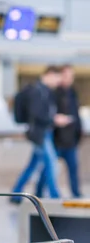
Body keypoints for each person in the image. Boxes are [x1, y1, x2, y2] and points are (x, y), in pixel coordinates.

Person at [11, 65, 72, 203]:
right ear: (50, 74)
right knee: (52, 164)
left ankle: (16, 192)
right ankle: (55, 196)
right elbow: (36, 113)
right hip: (40, 134)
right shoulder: (37, 91)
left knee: (33, 166)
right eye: (57, 78)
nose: (58, 82)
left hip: (44, 133)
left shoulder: (45, 91)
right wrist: (54, 119)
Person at [35, 64, 82, 198]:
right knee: (49, 168)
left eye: (71, 76)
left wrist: (78, 133)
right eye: (66, 75)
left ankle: (76, 193)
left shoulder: (72, 92)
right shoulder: (53, 92)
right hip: (56, 139)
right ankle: (41, 193)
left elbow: (76, 114)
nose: (69, 79)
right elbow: (46, 114)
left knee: (73, 168)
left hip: (71, 139)